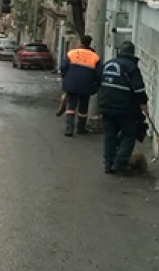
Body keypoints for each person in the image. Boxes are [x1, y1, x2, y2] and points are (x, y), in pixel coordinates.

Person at [99, 41, 149, 174]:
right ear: (132, 53)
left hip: (106, 106)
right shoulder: (131, 67)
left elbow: (99, 82)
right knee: (128, 135)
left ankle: (108, 164)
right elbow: (138, 89)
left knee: (110, 136)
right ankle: (120, 164)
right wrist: (143, 103)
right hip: (125, 109)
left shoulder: (108, 64)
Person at [60, 35, 102, 137]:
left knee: (71, 106)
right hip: (86, 85)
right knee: (83, 107)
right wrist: (97, 85)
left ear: (81, 42)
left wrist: (66, 77)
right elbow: (99, 74)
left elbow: (63, 67)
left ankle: (69, 128)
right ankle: (81, 128)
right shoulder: (95, 57)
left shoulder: (72, 53)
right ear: (90, 43)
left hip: (72, 84)